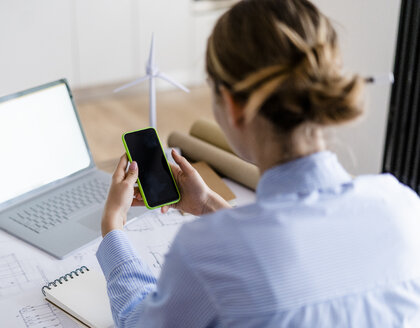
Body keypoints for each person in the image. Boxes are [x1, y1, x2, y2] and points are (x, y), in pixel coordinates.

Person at [96, 0, 420, 326]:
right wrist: (208, 202)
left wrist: (113, 226)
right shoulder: (403, 207)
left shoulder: (206, 257)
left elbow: (139, 321)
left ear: (234, 107)